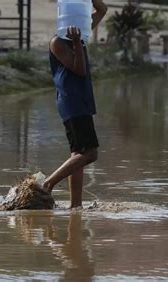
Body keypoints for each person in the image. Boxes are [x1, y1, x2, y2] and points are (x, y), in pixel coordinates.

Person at [43, 0, 108, 208]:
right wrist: (78, 42)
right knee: (89, 153)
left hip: (80, 100)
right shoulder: (58, 43)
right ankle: (48, 184)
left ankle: (75, 206)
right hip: (72, 103)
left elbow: (103, 9)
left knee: (77, 155)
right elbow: (78, 69)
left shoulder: (82, 34)